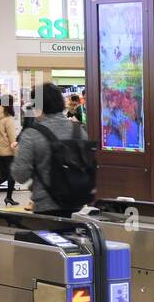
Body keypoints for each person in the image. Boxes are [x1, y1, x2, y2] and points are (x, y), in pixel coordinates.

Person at [11, 81, 93, 218]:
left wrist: (18, 155)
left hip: (46, 207)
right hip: (77, 205)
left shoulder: (32, 134)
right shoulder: (79, 131)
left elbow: (20, 175)